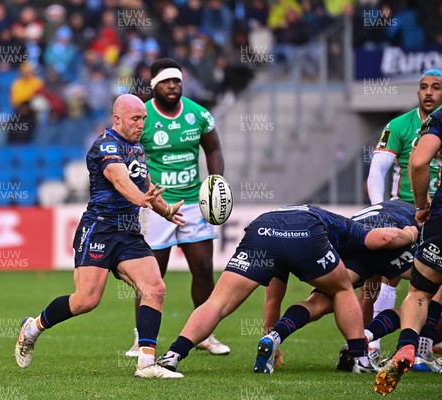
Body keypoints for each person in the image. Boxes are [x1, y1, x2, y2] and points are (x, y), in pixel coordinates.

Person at [14, 94, 185, 379]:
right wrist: (141, 199)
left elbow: (144, 184)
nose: (141, 124)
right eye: (135, 119)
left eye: (144, 118)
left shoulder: (138, 148)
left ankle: (146, 363)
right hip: (100, 229)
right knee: (86, 300)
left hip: (129, 232)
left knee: (155, 288)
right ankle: (32, 328)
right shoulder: (105, 145)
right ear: (117, 119)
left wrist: (165, 210)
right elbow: (120, 180)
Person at [153, 204, 417, 376]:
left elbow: (273, 297)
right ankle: (360, 358)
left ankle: (172, 355)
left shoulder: (282, 214)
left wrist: (271, 337)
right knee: (342, 290)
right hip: (306, 232)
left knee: (218, 302)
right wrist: (409, 235)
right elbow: (383, 238)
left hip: (261, 229)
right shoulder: (345, 225)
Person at [125, 58, 228, 357]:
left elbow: (213, 148)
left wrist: (216, 181)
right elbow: (130, 156)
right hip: (156, 205)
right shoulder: (141, 116)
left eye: (177, 81)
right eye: (167, 81)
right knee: (152, 276)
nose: (173, 86)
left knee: (204, 269)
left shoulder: (198, 114)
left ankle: (205, 334)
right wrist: (142, 194)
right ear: (154, 85)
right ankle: (140, 338)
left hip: (194, 203)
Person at [255, 201, 418, 374]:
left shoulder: (382, 208)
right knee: (423, 295)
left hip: (354, 241)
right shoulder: (421, 216)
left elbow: (369, 290)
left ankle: (274, 336)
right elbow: (387, 241)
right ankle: (408, 351)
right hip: (390, 242)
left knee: (320, 301)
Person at [365, 69, 442, 361]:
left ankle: (420, 348)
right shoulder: (399, 125)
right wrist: (379, 209)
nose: (429, 93)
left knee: (425, 286)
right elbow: (377, 171)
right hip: (405, 211)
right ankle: (370, 349)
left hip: (436, 215)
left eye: (436, 87)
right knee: (387, 276)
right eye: (424, 87)